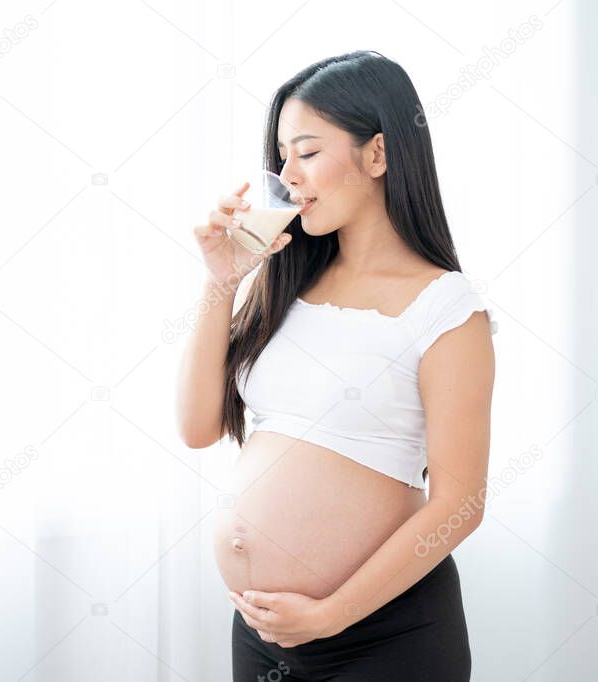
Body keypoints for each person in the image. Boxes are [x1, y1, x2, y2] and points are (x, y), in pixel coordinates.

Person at [177, 50, 496, 681]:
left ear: (378, 154)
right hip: (262, 635)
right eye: (282, 156)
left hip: (383, 637)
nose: (287, 175)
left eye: (308, 151)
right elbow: (195, 427)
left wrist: (331, 615)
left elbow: (461, 502)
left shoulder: (445, 307)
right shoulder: (287, 281)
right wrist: (221, 283)